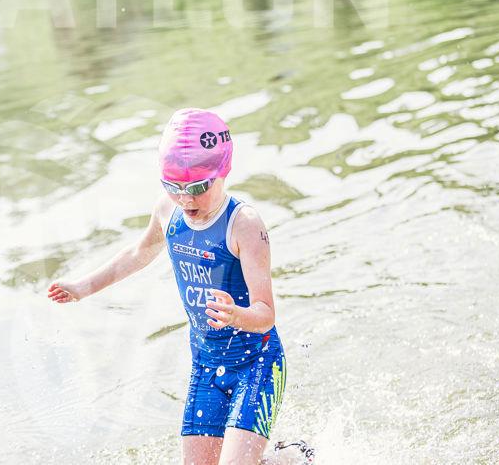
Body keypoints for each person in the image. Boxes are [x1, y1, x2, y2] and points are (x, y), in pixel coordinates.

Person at [47, 108, 313, 465]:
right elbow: (138, 253)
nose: (186, 199)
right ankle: (286, 459)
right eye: (173, 187)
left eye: (198, 188)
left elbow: (265, 315)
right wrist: (82, 287)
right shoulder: (168, 212)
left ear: (223, 171)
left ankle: (294, 457)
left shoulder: (244, 225)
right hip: (206, 366)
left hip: (257, 364)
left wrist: (236, 315)